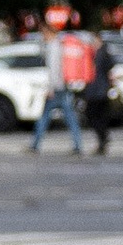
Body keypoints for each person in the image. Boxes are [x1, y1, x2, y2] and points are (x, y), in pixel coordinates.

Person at [30, 18, 87, 157]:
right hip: (64, 86)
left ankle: (35, 145)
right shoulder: (60, 45)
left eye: (43, 33)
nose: (42, 36)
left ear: (48, 32)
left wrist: (51, 88)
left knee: (46, 116)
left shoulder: (53, 47)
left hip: (57, 88)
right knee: (69, 116)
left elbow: (54, 69)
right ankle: (77, 145)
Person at [82, 33, 115, 157]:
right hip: (94, 88)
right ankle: (103, 138)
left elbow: (108, 69)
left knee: (96, 115)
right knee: (94, 115)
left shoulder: (103, 53)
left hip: (99, 89)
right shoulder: (93, 53)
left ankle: (103, 138)